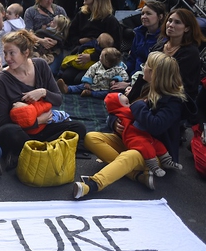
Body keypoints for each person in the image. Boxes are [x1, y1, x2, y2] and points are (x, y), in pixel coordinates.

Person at [76, 52, 193, 198]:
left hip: (154, 153)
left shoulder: (173, 102)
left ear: (154, 74)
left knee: (129, 156)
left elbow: (155, 126)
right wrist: (114, 123)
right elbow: (120, 107)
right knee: (91, 137)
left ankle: (94, 184)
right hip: (131, 139)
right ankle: (135, 175)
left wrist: (138, 106)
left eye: (146, 66)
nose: (142, 68)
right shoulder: (144, 86)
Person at [0, 30, 87, 167]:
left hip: (43, 129)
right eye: (5, 53)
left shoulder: (41, 65)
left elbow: (58, 100)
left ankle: (33, 152)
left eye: (11, 53)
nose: (7, 58)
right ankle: (47, 151)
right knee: (8, 132)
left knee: (79, 128)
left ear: (25, 52)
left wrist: (43, 92)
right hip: (22, 131)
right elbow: (1, 121)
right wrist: (36, 121)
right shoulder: (3, 79)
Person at [104, 89, 182, 178]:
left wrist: (140, 106)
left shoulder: (170, 100)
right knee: (91, 137)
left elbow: (153, 124)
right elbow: (119, 112)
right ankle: (149, 169)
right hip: (135, 139)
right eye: (127, 104)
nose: (129, 105)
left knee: (156, 146)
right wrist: (112, 121)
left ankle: (164, 162)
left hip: (146, 139)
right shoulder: (142, 87)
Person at [62, 0, 121, 85]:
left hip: (100, 60)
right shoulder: (82, 14)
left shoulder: (110, 20)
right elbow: (70, 36)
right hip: (80, 54)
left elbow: (116, 48)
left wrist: (91, 57)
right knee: (67, 77)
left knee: (79, 80)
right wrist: (80, 41)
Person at [58, 47, 127, 98]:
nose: (99, 57)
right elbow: (90, 71)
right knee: (80, 86)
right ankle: (67, 89)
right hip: (93, 84)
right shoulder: (98, 64)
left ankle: (90, 94)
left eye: (101, 56)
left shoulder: (119, 68)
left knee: (107, 94)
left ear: (107, 62)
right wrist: (87, 81)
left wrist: (116, 79)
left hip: (105, 88)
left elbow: (125, 76)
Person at [124, 1, 167, 77]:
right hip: (132, 76)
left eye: (148, 14)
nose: (144, 17)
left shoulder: (163, 39)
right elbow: (132, 59)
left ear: (160, 17)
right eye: (142, 13)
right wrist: (123, 76)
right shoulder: (139, 34)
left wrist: (130, 83)